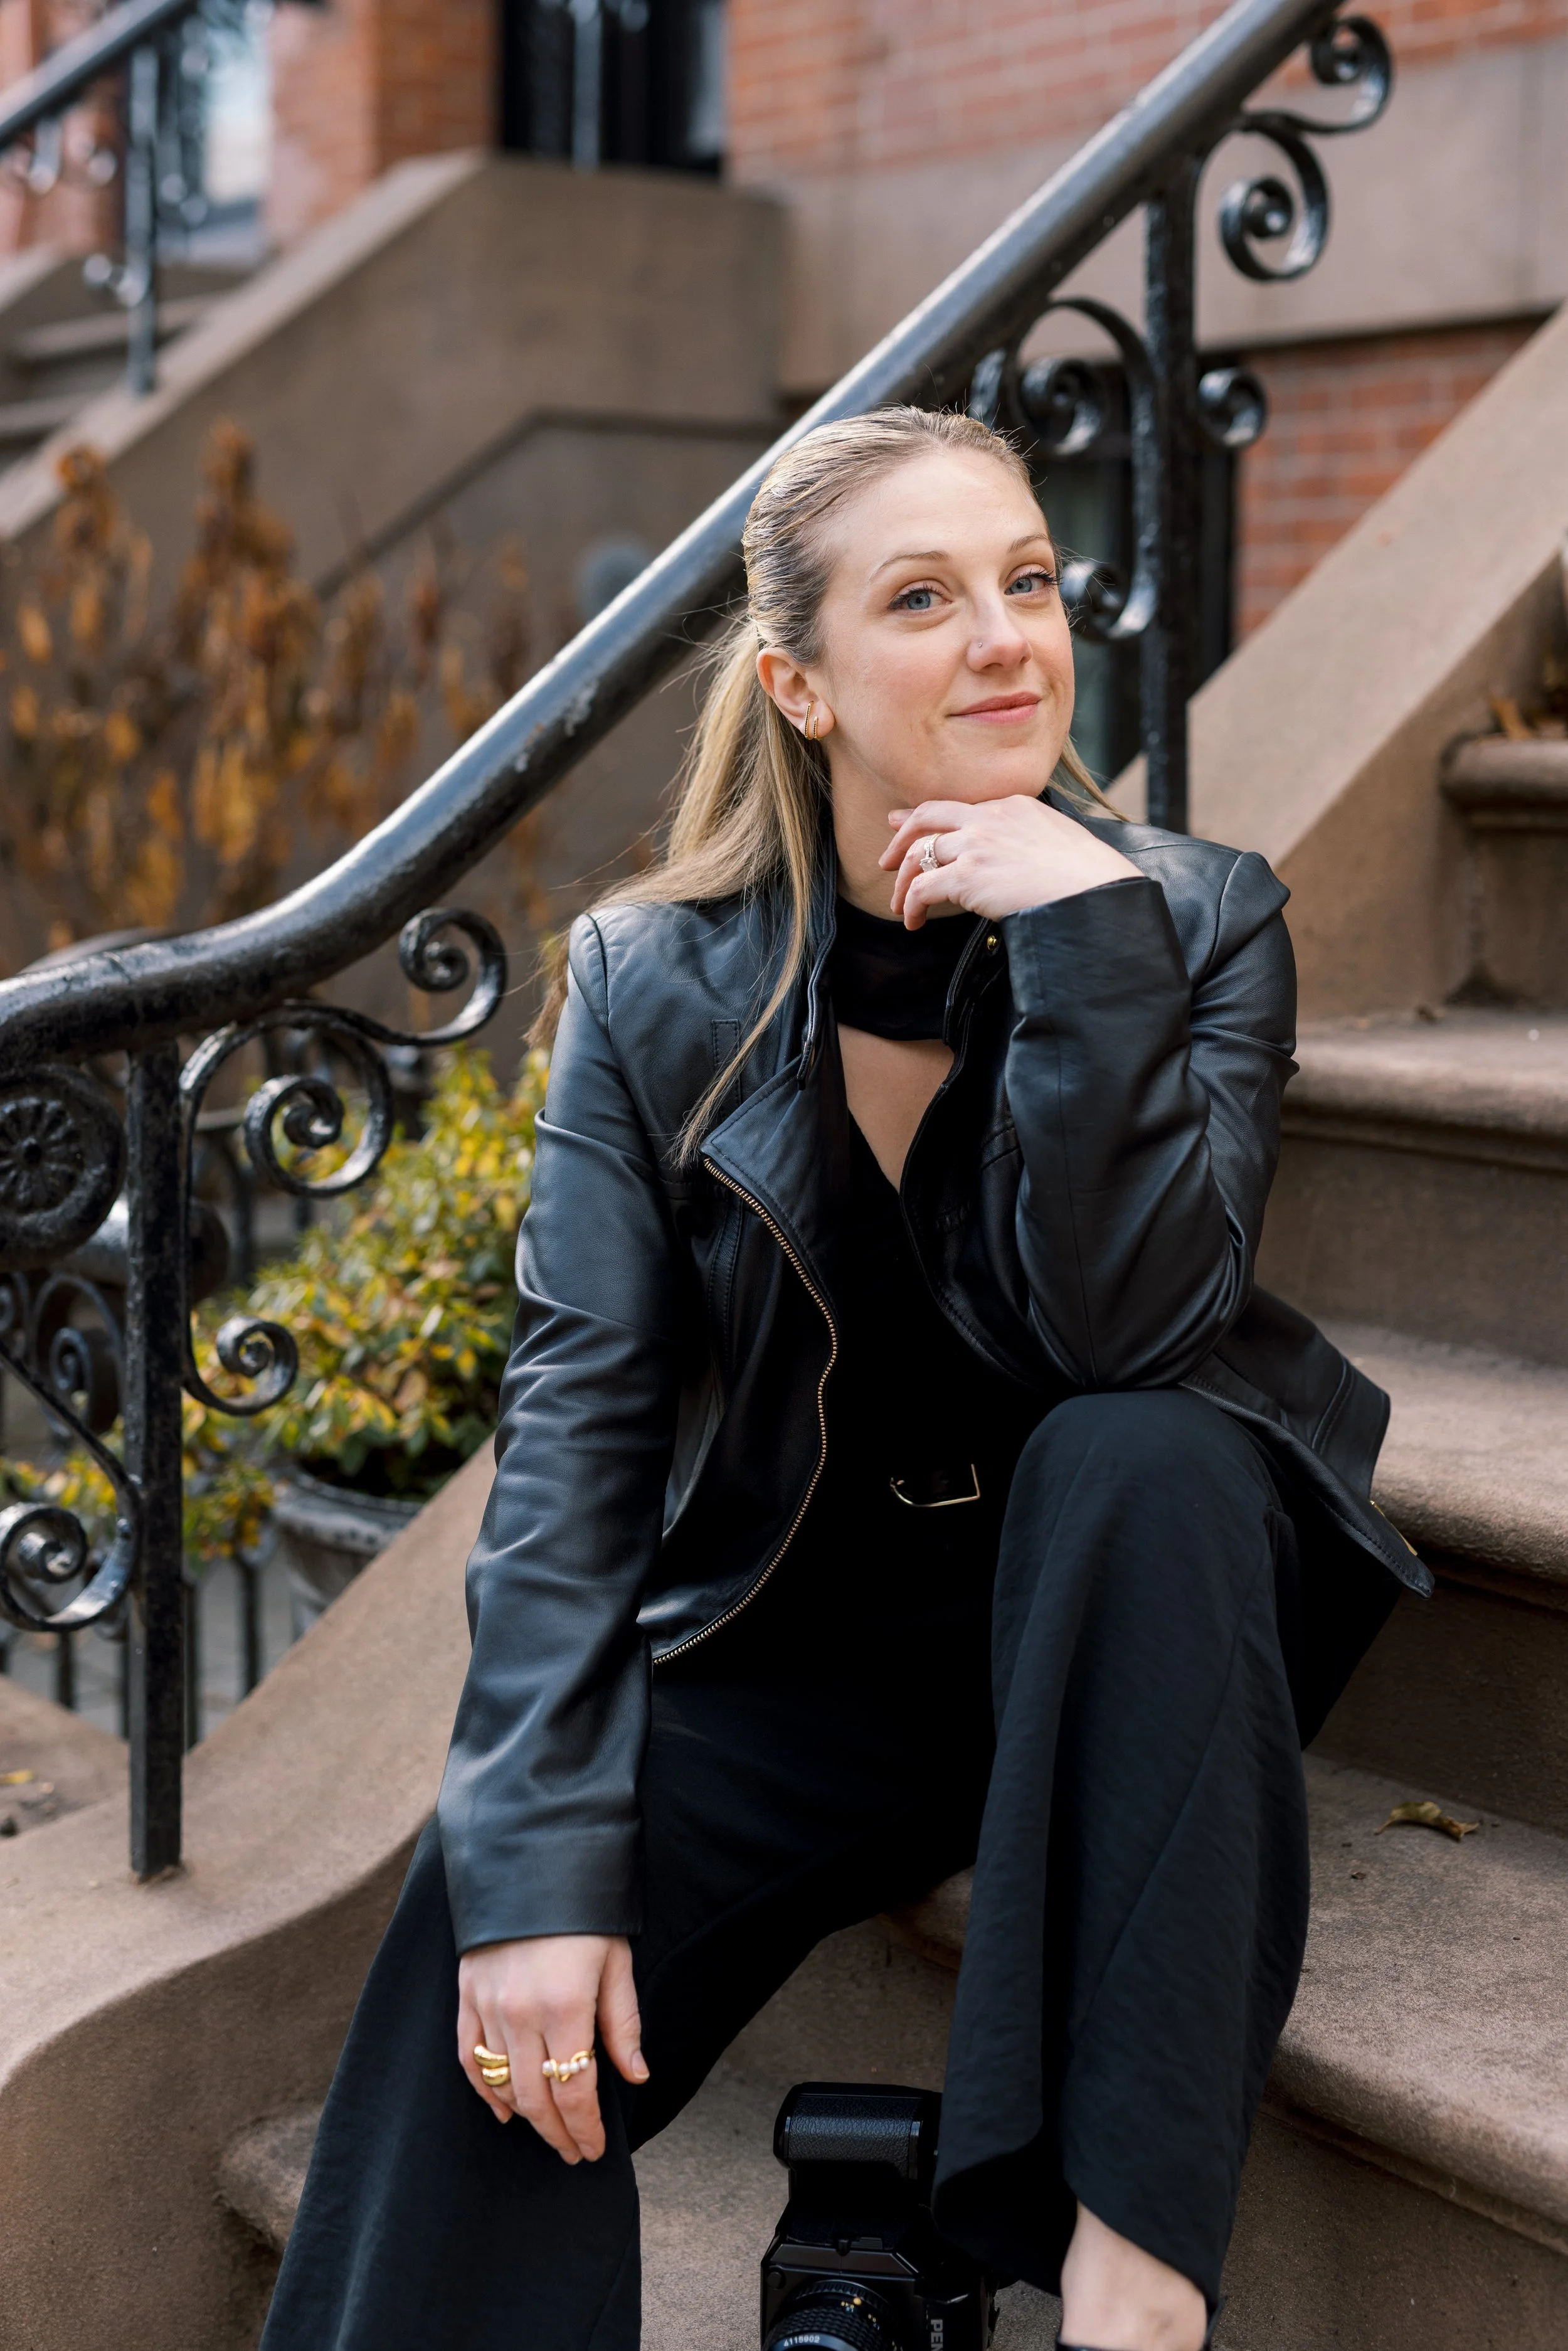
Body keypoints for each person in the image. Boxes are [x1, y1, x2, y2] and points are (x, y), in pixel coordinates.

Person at [261, 406, 1426, 2351]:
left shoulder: (1195, 915)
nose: (1006, 637)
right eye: (923, 598)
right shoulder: (653, 984)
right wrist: (536, 1863)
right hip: (821, 1632)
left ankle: (1135, 2292)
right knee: (500, 1952)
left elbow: (1131, 1325)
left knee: (1140, 1446)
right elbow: (577, 1431)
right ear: (799, 685)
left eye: (1027, 580)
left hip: (1144, 1607)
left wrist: (1083, 939)